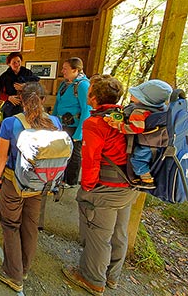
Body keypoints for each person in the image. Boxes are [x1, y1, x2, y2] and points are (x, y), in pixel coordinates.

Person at [62, 74, 138, 296]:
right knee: (119, 233)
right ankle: (112, 276)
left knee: (98, 235)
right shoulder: (121, 116)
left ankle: (93, 279)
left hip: (106, 189)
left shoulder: (95, 123)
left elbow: (92, 160)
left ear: (93, 96)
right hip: (128, 186)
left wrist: (87, 188)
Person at [0, 82, 62, 293]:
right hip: (42, 183)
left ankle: (12, 274)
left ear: (21, 99)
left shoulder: (11, 123)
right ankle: (23, 269)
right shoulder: (55, 122)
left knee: (10, 223)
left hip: (15, 181)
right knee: (30, 224)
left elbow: (2, 156)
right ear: (43, 99)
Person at [105, 79, 172, 189]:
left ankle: (146, 179)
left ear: (145, 100)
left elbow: (136, 128)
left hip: (146, 145)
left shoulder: (139, 112)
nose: (132, 96)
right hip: (156, 144)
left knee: (137, 160)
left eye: (136, 95)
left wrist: (119, 126)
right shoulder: (160, 109)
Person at [52, 57, 91, 186]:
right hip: (61, 124)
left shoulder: (83, 85)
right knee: (61, 152)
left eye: (65, 68)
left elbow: (87, 109)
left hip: (74, 126)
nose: (62, 71)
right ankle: (60, 178)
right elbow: (57, 103)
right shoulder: (65, 84)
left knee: (74, 154)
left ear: (75, 70)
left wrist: (79, 133)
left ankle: (71, 181)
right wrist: (52, 121)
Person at [0, 52, 40, 118]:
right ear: (9, 64)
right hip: (11, 108)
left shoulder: (28, 73)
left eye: (18, 61)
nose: (17, 64)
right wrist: (8, 98)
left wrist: (25, 87)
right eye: (14, 62)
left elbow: (37, 87)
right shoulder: (5, 76)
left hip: (27, 106)